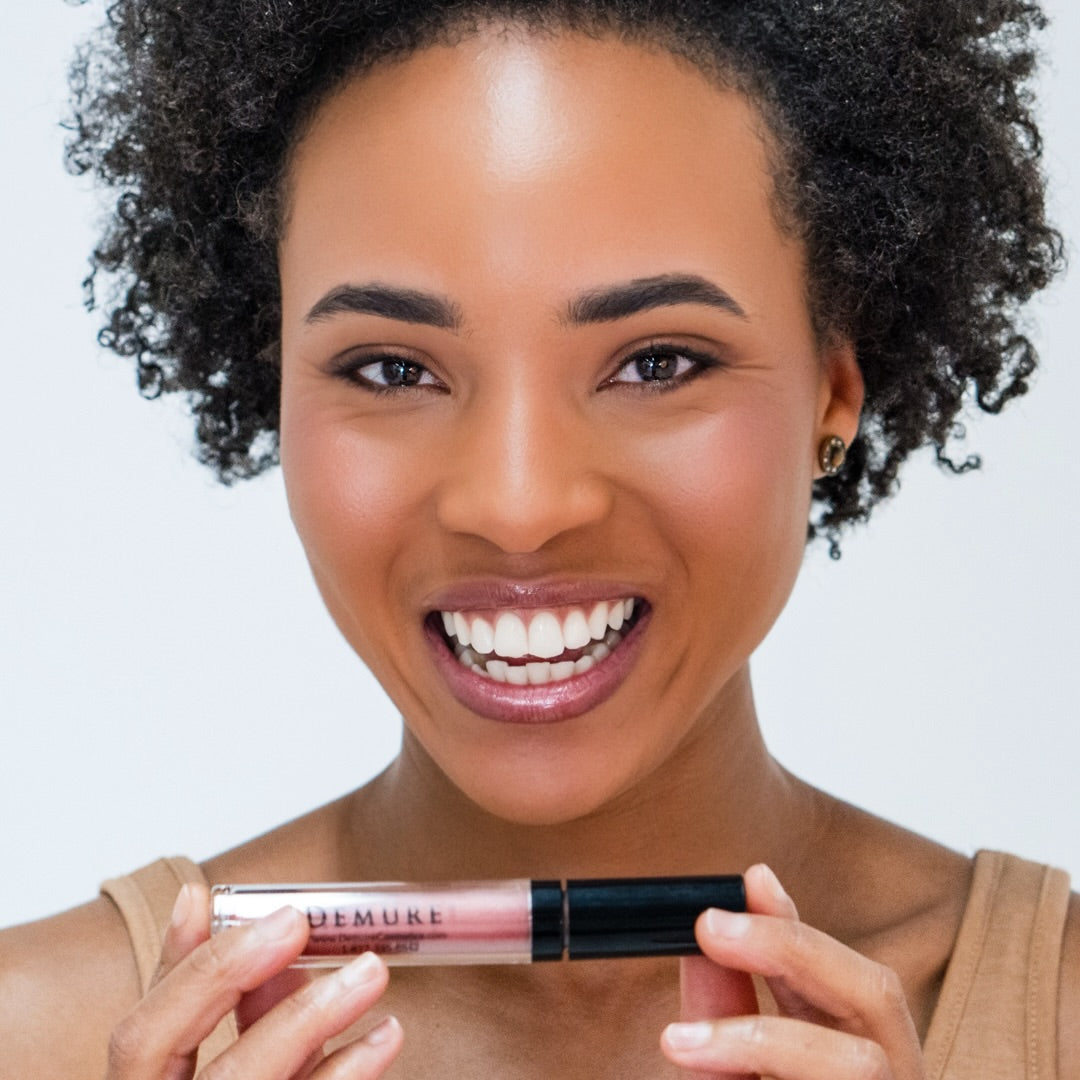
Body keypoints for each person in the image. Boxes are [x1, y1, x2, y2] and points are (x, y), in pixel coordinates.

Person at [1, 1, 1076, 1077]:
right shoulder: (37, 1034)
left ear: (834, 395)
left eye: (658, 362)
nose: (518, 506)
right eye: (392, 369)